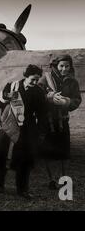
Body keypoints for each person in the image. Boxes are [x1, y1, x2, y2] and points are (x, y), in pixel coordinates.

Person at [0, 64, 47, 200]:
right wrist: (6, 97)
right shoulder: (12, 86)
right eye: (32, 79)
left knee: (25, 159)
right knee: (2, 155)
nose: (35, 83)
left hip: (27, 128)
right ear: (26, 76)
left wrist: (40, 132)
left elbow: (42, 114)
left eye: (37, 80)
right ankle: (0, 185)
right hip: (9, 124)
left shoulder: (39, 92)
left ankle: (22, 189)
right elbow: (0, 102)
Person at [38, 55, 82, 189]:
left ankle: (64, 180)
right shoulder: (46, 78)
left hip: (62, 120)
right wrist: (49, 97)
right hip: (48, 121)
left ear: (70, 67)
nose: (64, 69)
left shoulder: (73, 82)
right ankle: (51, 180)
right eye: (61, 66)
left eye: (67, 66)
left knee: (64, 152)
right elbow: (37, 95)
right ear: (56, 66)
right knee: (47, 151)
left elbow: (77, 100)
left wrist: (67, 102)